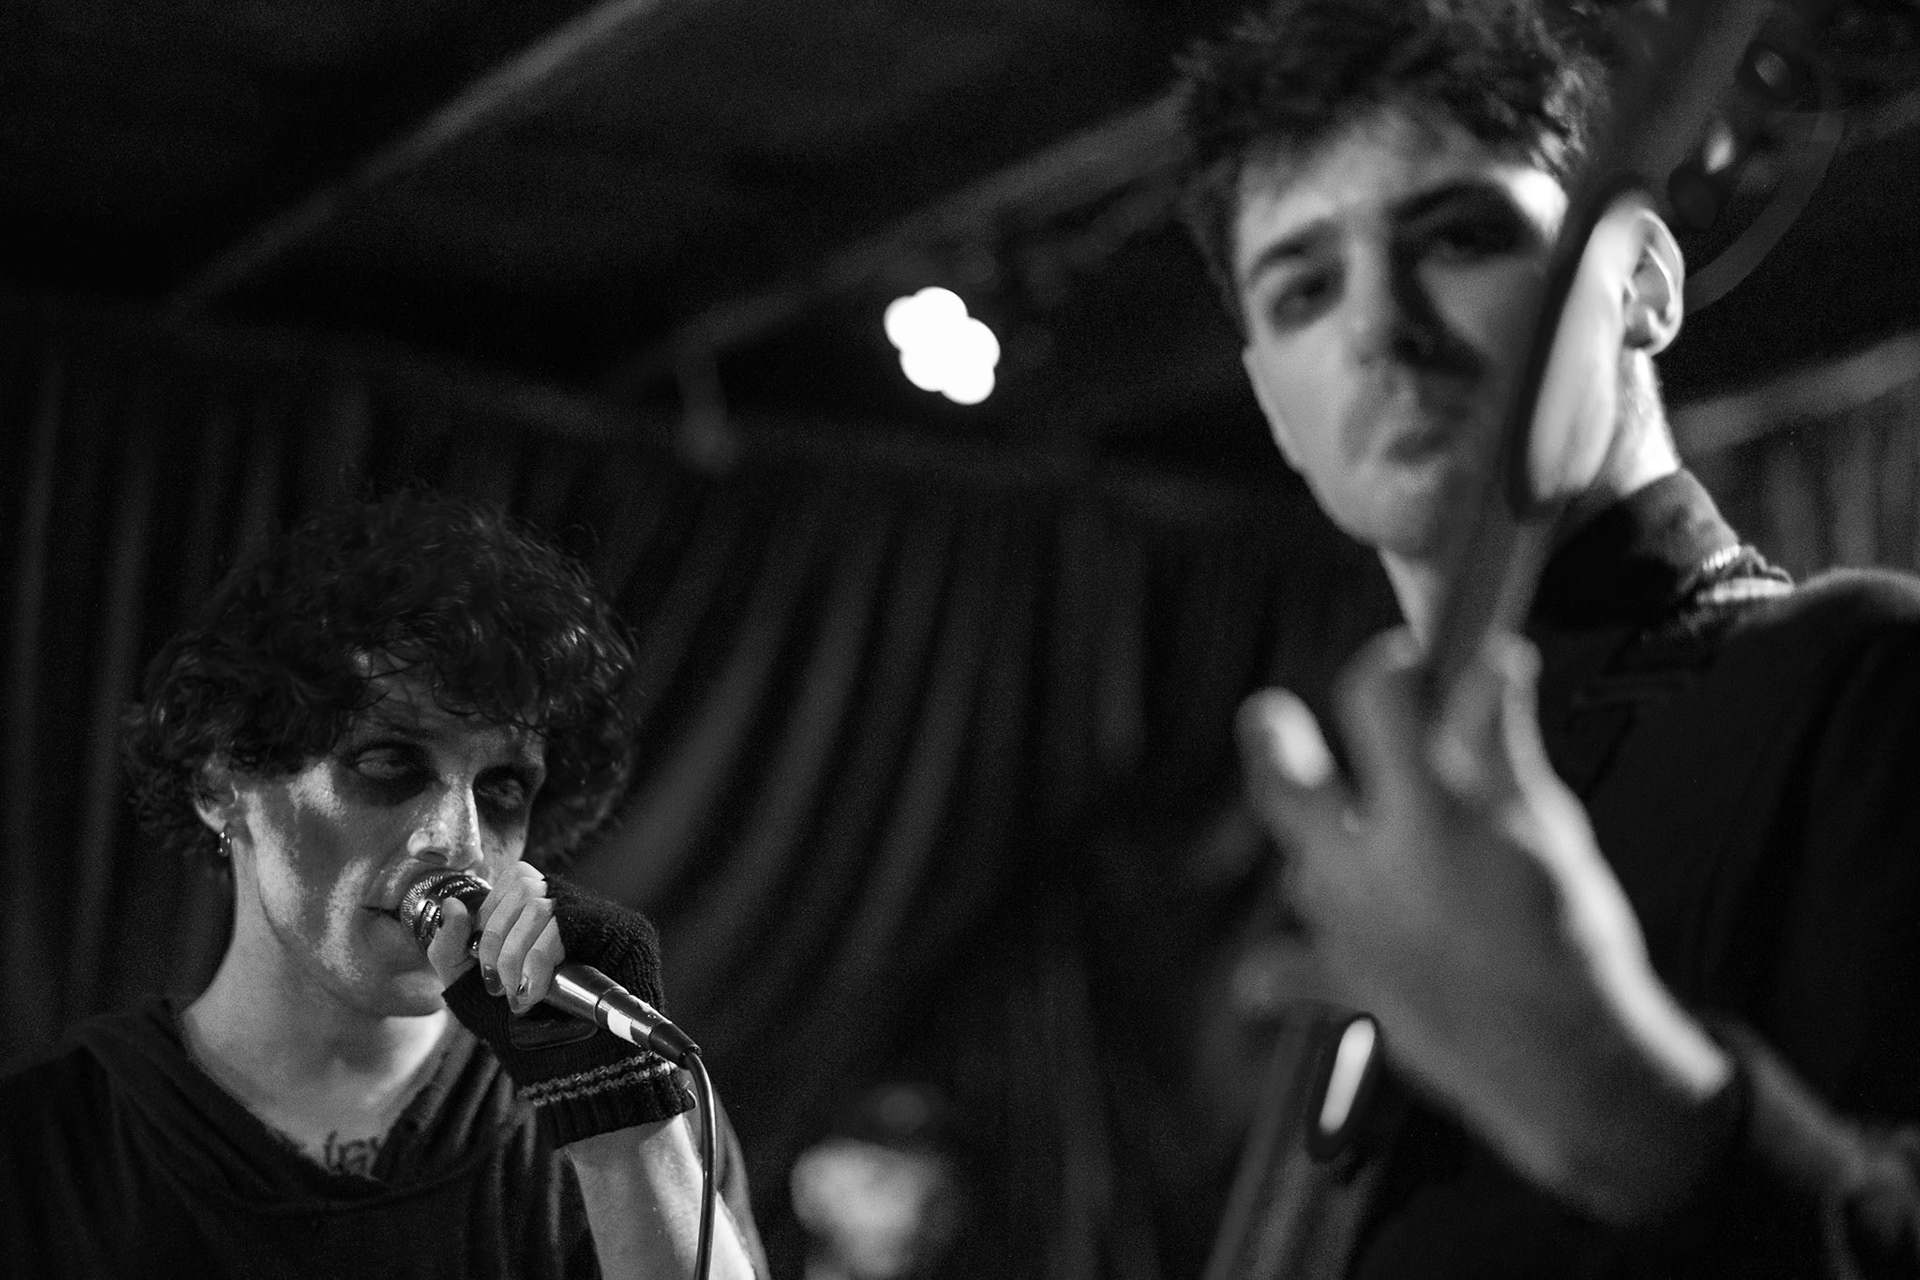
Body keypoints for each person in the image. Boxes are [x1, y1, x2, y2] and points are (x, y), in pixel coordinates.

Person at [1173, 0, 1920, 1274]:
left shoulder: (1866, 678)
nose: (1377, 325)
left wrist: (1635, 1114)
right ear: (1271, 405)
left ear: (1644, 283)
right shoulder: (1367, 848)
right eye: (1303, 289)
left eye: (1461, 235)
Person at [0, 490, 767, 1278]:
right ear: (222, 782)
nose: (459, 841)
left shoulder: (629, 1107)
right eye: (390, 762)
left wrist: (625, 1132)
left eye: (502, 787)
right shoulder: (43, 1149)